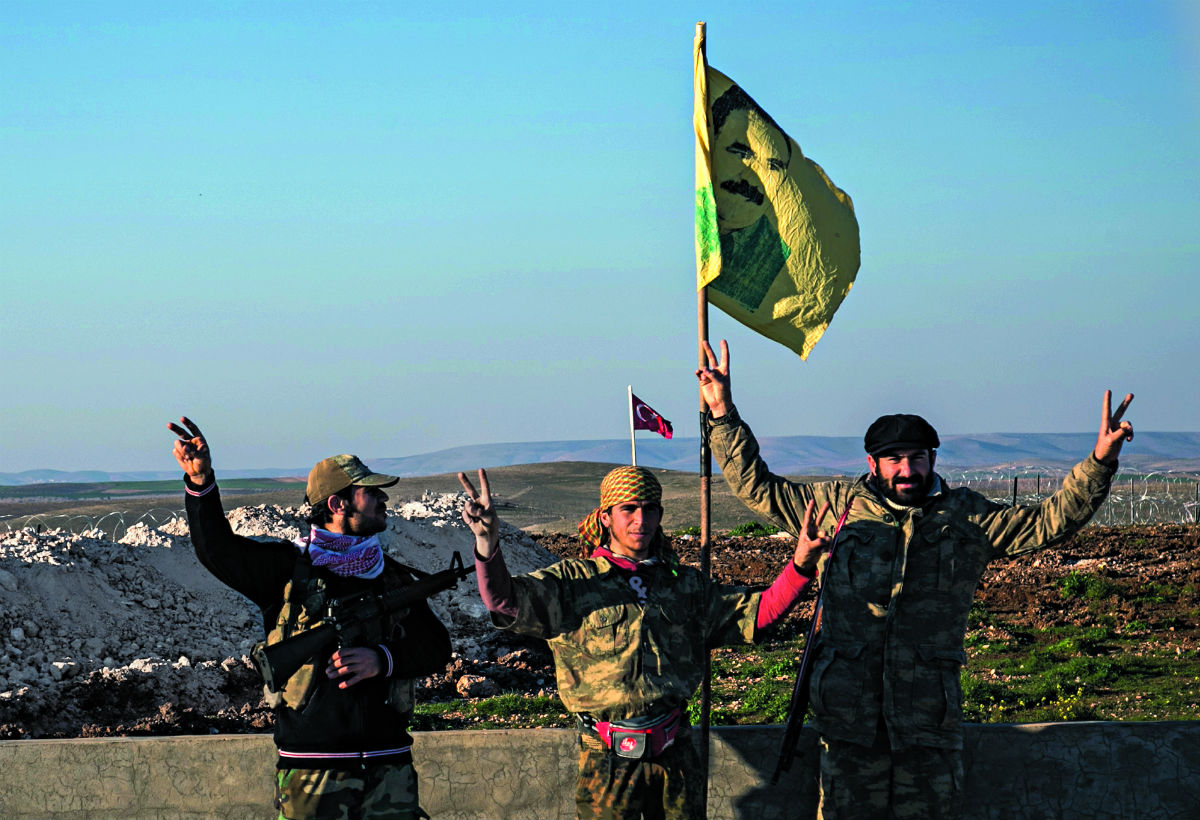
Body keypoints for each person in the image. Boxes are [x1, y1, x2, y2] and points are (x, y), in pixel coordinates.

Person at [695, 339, 1134, 820]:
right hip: (847, 722)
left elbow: (1049, 521)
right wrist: (722, 413)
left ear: (932, 460)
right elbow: (757, 486)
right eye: (895, 459)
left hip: (928, 723)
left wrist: (1100, 461)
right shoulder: (834, 508)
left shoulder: (966, 517)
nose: (908, 470)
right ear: (872, 464)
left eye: (918, 458)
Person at [459, 464, 828, 820]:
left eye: (650, 509)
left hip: (676, 757)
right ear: (605, 517)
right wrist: (487, 542)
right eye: (629, 509)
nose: (641, 520)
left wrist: (801, 565)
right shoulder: (573, 583)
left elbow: (757, 613)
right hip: (606, 761)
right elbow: (504, 602)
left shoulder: (684, 585)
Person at [168, 417, 451, 820]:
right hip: (311, 771)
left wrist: (382, 659)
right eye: (370, 493)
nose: (383, 500)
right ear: (338, 504)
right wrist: (201, 482)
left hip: (390, 769)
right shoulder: (288, 570)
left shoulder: (391, 575)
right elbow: (217, 550)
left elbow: (437, 648)